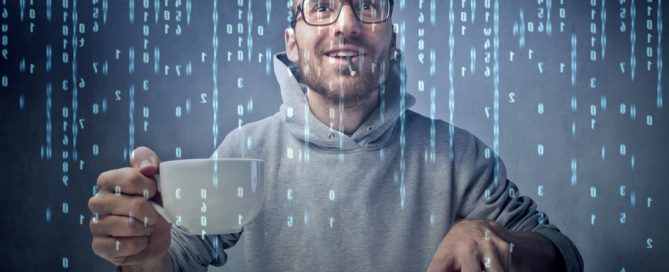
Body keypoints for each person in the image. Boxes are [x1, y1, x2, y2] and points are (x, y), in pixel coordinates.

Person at [88, 0, 584, 271]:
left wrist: (495, 238)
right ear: (293, 42)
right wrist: (147, 257)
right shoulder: (246, 152)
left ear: (391, 42)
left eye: (368, 5)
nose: (346, 24)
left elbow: (563, 253)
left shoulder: (458, 157)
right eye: (321, 6)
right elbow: (179, 262)